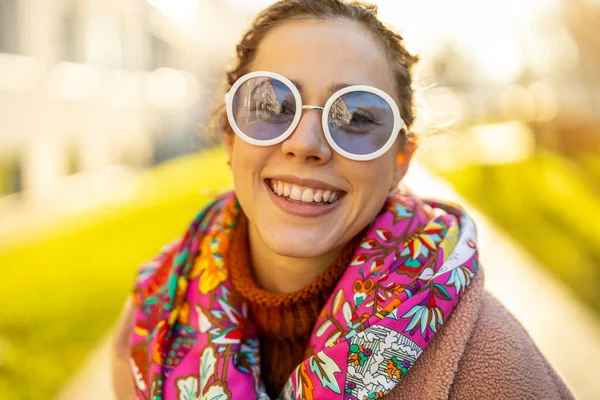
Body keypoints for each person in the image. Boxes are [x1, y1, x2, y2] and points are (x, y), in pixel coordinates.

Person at [111, 0, 573, 399]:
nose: (306, 143)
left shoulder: (493, 366)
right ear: (231, 138)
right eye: (273, 103)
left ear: (399, 161)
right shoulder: (153, 319)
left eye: (355, 115)